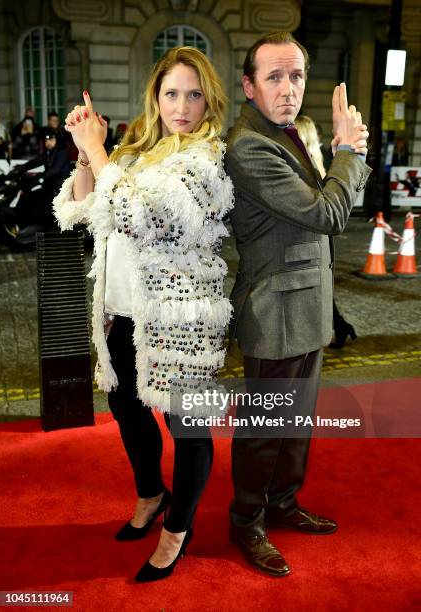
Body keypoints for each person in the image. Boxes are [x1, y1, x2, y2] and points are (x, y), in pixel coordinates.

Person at [53, 46, 234, 582]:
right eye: (172, 92)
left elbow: (142, 213)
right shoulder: (134, 153)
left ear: (209, 101)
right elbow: (85, 210)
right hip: (120, 315)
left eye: (194, 94)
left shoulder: (207, 160)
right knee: (129, 416)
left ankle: (178, 528)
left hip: (183, 325)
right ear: (155, 97)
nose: (182, 105)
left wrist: (99, 153)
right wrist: (87, 154)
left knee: (190, 430)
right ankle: (152, 495)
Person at [225, 31, 371, 577]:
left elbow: (327, 208)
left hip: (307, 306)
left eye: (297, 76)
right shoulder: (250, 145)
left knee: (296, 424)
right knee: (265, 430)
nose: (289, 89)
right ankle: (246, 521)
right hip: (275, 311)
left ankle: (282, 505)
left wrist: (343, 156)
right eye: (274, 77)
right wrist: (347, 152)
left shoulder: (283, 134)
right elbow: (329, 214)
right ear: (249, 85)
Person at [295, 115, 357, 349]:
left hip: (314, 239)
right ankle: (341, 326)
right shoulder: (319, 162)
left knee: (318, 292)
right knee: (321, 292)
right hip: (318, 240)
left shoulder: (309, 166)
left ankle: (339, 326)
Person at [0, 128, 70, 236]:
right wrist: (22, 167)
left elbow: (55, 170)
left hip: (59, 188)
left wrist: (39, 176)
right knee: (27, 196)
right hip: (49, 186)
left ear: (57, 140)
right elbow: (36, 161)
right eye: (46, 140)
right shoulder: (48, 153)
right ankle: (22, 226)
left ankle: (32, 228)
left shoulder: (62, 152)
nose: (47, 142)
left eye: (50, 139)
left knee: (35, 200)